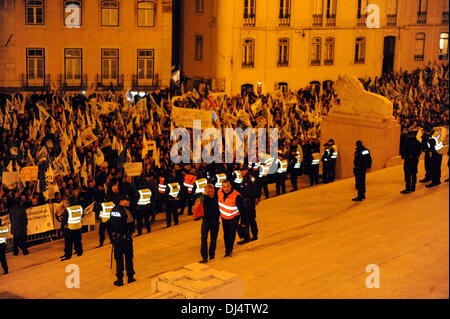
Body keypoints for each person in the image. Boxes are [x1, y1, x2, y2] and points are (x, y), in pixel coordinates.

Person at [109, 193, 136, 286]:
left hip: (116, 239)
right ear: (121, 201)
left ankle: (119, 279)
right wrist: (130, 232)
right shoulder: (126, 211)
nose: (128, 202)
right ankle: (130, 277)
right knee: (128, 258)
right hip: (126, 238)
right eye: (126, 200)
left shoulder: (112, 211)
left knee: (119, 259)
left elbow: (110, 225)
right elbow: (131, 225)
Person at [218, 180, 245, 257]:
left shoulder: (236, 196)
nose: (226, 188)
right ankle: (227, 248)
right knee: (226, 234)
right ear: (222, 187)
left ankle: (229, 251)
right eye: (224, 187)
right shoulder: (219, 192)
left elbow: (242, 210)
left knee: (231, 234)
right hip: (224, 217)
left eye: (227, 186)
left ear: (231, 186)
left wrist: (243, 222)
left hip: (234, 217)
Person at [235, 165, 259, 245]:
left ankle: (247, 237)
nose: (241, 172)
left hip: (248, 202)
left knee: (246, 220)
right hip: (248, 201)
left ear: (246, 170)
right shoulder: (248, 178)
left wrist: (254, 198)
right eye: (240, 170)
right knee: (251, 219)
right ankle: (254, 235)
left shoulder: (248, 179)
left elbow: (253, 190)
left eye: (242, 170)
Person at [60, 189, 84, 261]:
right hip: (78, 227)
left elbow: (64, 220)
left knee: (68, 242)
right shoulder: (80, 207)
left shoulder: (68, 210)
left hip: (70, 228)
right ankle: (79, 252)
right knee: (78, 240)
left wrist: (62, 229)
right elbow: (82, 215)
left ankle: (68, 255)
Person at [199, 184, 220, 263]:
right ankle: (204, 257)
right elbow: (197, 202)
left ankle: (212, 256)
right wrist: (204, 194)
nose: (210, 193)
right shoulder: (203, 197)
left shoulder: (218, 197)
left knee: (213, 239)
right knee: (203, 238)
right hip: (206, 221)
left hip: (215, 221)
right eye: (208, 192)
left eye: (212, 191)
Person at [400, 130, 422, 194]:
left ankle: (407, 188)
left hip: (408, 160)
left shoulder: (407, 143)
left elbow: (404, 151)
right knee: (414, 173)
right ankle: (413, 187)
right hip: (415, 160)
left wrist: (403, 156)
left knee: (407, 174)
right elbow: (420, 151)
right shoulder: (418, 142)